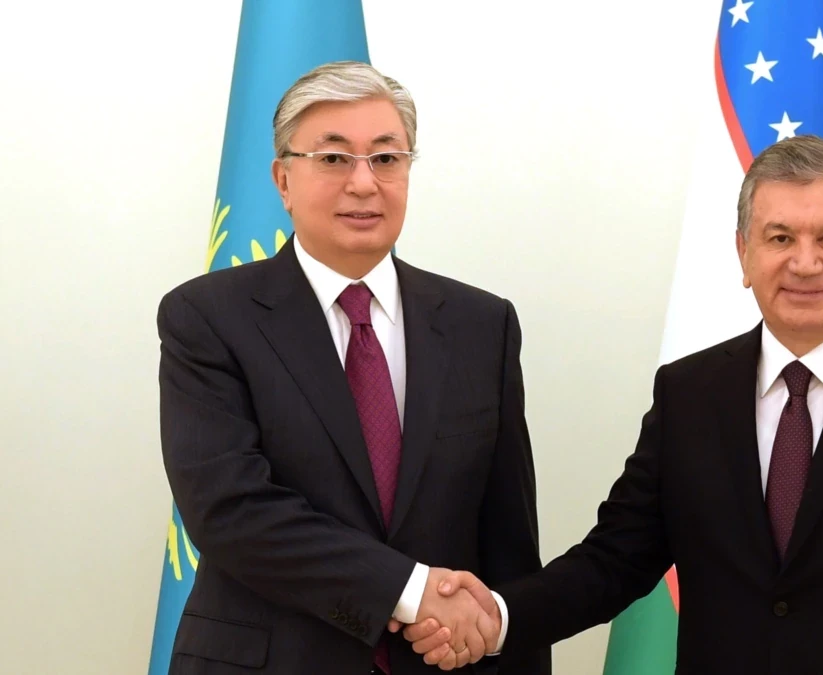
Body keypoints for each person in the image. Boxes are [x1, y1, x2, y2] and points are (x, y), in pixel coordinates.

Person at [403, 135, 823, 674]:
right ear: (744, 253)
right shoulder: (689, 394)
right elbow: (615, 560)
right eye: (780, 237)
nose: (805, 261)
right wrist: (498, 616)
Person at [157, 60, 550, 674]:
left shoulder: (482, 324)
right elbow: (230, 509)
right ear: (283, 180)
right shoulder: (207, 317)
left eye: (386, 158)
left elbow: (509, 541)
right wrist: (410, 590)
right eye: (334, 158)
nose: (364, 183)